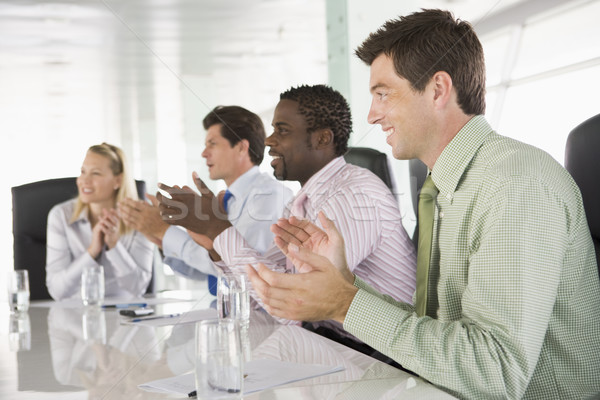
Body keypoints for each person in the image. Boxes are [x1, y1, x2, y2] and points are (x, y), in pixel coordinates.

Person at [245, 9, 600, 400]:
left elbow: (495, 372)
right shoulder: (441, 188)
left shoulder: (514, 184)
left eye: (383, 94)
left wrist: (344, 303)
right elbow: (436, 335)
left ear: (437, 90)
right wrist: (344, 283)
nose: (371, 114)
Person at [157, 84, 417, 361]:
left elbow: (296, 304)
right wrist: (213, 242)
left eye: (282, 130)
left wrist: (218, 230)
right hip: (335, 348)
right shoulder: (302, 201)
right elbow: (262, 292)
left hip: (380, 360)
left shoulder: (352, 196)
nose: (268, 141)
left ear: (322, 139)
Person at [118, 106, 293, 291]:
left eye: (212, 144)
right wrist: (162, 240)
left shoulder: (268, 196)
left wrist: (165, 231)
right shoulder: (228, 200)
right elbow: (211, 271)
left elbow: (244, 268)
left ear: (241, 147)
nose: (204, 153)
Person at [46, 143, 154, 300]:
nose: (84, 180)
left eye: (95, 173)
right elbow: (57, 291)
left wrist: (114, 247)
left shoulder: (141, 216)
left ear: (118, 180)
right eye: (83, 172)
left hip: (124, 316)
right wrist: (92, 252)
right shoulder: (61, 215)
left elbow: (138, 288)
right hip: (75, 316)